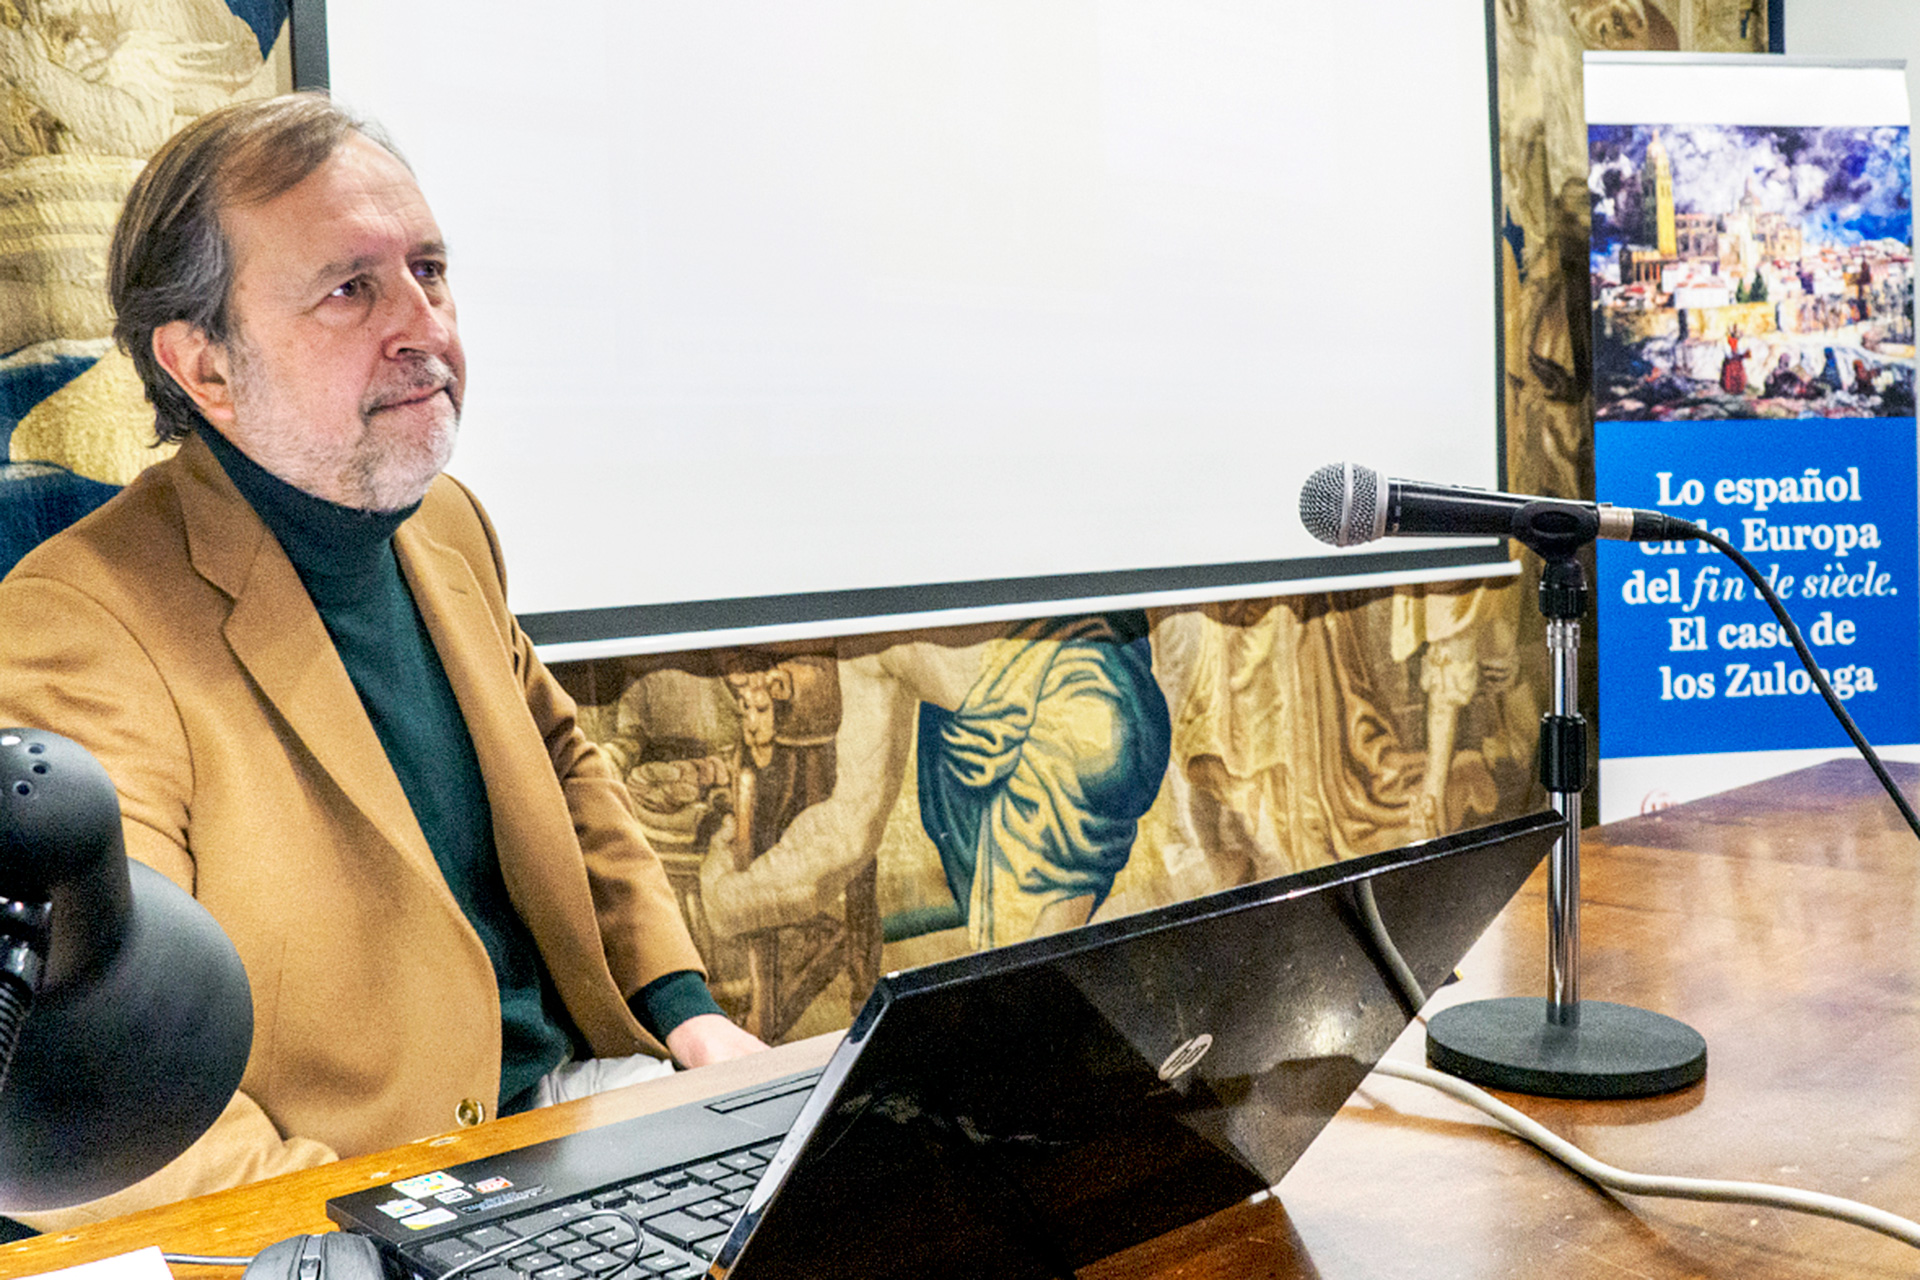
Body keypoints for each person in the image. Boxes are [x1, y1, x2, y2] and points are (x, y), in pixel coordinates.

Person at [0, 93, 764, 1229]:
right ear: (203, 364)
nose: (425, 325)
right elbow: (98, 1086)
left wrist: (686, 1010)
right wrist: (381, 1233)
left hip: (567, 1107)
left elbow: (564, 764)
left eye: (430, 271)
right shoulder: (77, 624)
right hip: (360, 1187)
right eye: (350, 288)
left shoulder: (445, 519)